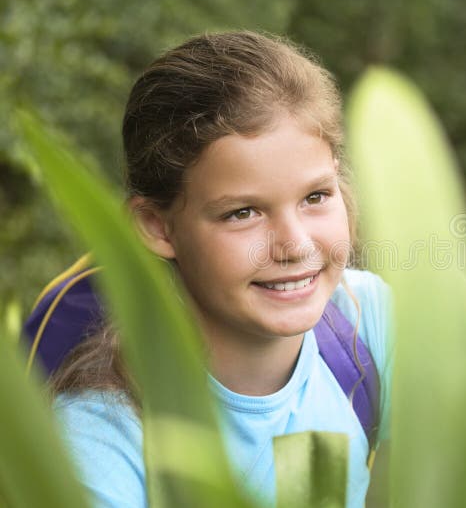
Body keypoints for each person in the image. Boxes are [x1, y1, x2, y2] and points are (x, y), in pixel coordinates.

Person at [50, 31, 393, 508]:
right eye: (243, 213)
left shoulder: (366, 323)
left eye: (316, 197)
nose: (295, 246)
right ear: (157, 226)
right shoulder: (100, 443)